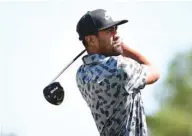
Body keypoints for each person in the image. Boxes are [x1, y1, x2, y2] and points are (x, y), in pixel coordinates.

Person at [75, 9, 160, 136]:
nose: (117, 35)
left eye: (116, 29)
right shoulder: (120, 68)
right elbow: (154, 70)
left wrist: (112, 44)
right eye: (109, 31)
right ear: (91, 40)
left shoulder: (81, 74)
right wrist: (122, 46)